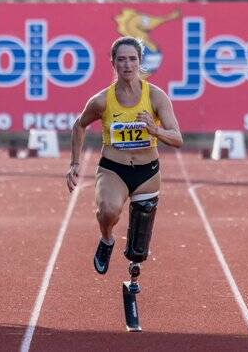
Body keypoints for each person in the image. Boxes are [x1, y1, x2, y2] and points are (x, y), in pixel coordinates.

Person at [65, 36, 183, 275]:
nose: (127, 65)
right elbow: (79, 125)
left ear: (140, 62)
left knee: (138, 251)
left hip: (146, 172)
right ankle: (107, 240)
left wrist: (154, 130)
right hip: (114, 169)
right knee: (108, 211)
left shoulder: (155, 97)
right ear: (113, 63)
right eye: (121, 60)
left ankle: (133, 270)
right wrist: (75, 163)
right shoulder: (101, 101)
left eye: (132, 59)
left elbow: (177, 138)